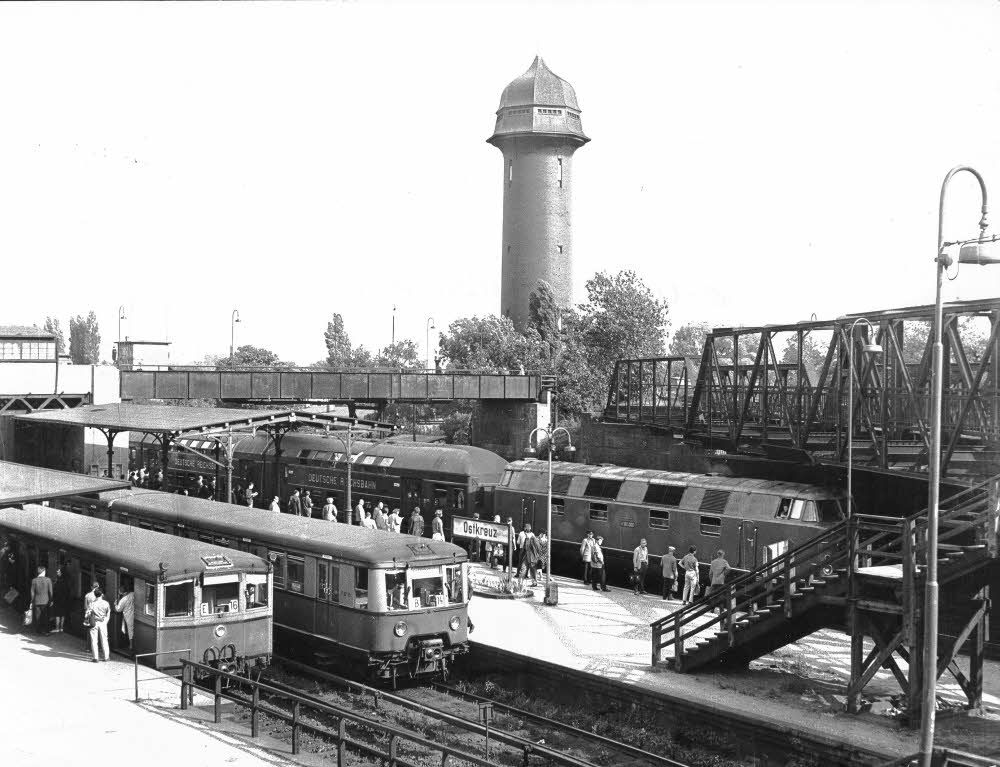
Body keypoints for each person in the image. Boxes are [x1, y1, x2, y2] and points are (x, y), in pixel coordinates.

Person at [87, 587, 111, 662]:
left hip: (94, 623)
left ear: (95, 595)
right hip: (103, 623)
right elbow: (108, 614)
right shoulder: (106, 603)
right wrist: (105, 622)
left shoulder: (92, 603)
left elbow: (88, 614)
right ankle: (106, 657)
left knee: (94, 640)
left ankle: (95, 658)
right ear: (102, 594)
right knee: (104, 640)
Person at [29, 566, 53, 635]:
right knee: (45, 616)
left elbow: (32, 592)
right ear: (44, 572)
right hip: (46, 601)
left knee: (37, 616)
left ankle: (38, 631)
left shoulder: (34, 580)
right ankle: (46, 631)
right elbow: (50, 592)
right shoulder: (48, 580)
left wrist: (32, 601)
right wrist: (51, 600)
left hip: (36, 601)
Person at [52, 566, 71, 633]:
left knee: (57, 614)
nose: (57, 571)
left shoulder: (58, 581)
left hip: (58, 600)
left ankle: (57, 628)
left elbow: (55, 591)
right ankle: (61, 628)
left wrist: (53, 599)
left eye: (58, 571)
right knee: (63, 614)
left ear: (61, 573)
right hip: (65, 600)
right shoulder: (66, 581)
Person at [82, 580, 99, 650]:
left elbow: (85, 607)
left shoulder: (87, 595)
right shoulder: (100, 595)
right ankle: (98, 647)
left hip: (89, 615)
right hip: (98, 615)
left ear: (91, 587)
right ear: (98, 587)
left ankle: (88, 647)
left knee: (89, 631)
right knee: (98, 631)